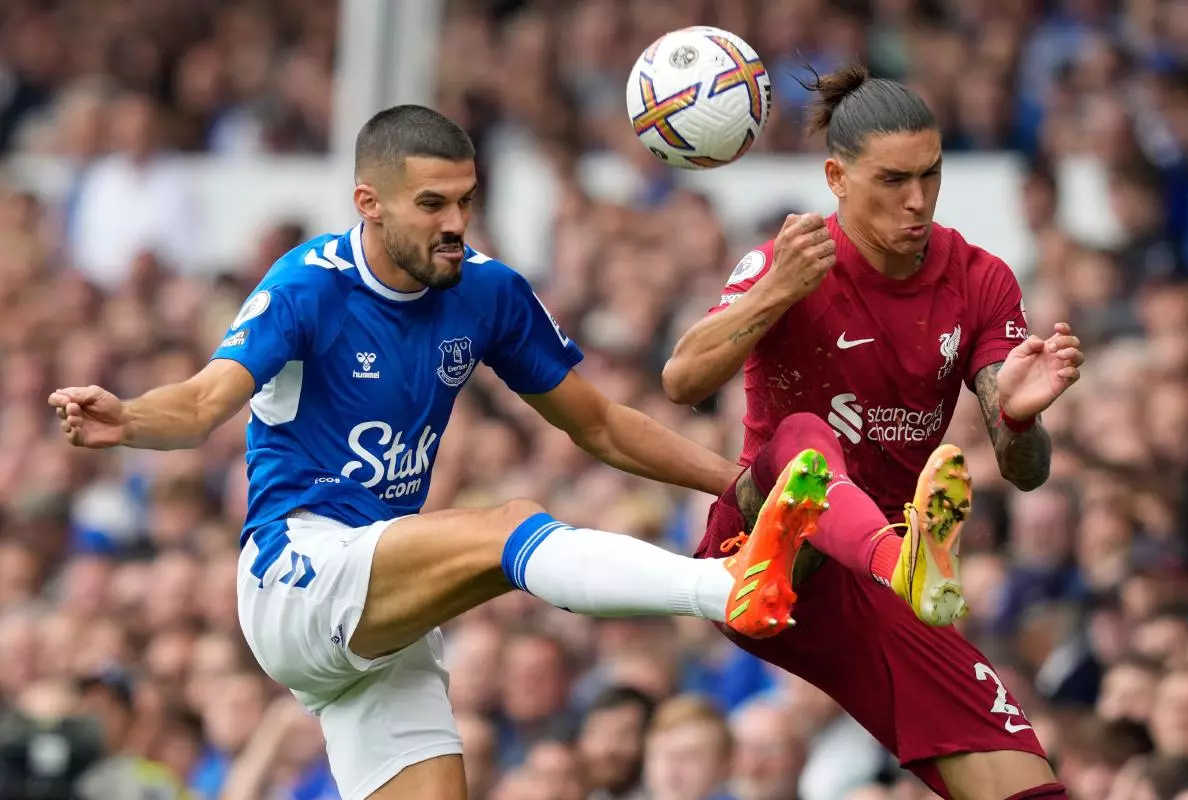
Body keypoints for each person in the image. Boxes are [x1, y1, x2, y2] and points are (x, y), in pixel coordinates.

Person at [47, 105, 829, 800]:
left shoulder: (487, 291)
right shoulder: (307, 287)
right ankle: (724, 587)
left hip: (386, 613)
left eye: (465, 200)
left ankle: (729, 578)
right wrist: (130, 418)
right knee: (508, 528)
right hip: (298, 573)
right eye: (431, 204)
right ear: (370, 204)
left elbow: (600, 424)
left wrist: (736, 483)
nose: (455, 221)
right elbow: (201, 403)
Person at [664, 65, 1086, 800]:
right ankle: (899, 559)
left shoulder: (981, 281)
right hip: (767, 553)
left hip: (885, 581)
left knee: (1028, 786)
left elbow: (1027, 472)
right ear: (836, 176)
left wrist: (1018, 417)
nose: (916, 200)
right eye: (892, 180)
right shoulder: (787, 263)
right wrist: (774, 294)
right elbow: (683, 381)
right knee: (799, 434)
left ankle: (900, 562)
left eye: (930, 174)